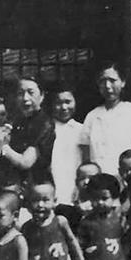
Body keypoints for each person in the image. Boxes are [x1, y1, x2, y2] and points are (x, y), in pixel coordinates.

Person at [80, 62, 131, 178]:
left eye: (112, 80)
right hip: (100, 182)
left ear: (123, 82)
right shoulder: (92, 117)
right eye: (102, 81)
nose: (107, 86)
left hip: (127, 179)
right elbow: (86, 154)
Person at [0, 77, 55, 186]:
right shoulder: (18, 120)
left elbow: (25, 162)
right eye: (20, 93)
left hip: (37, 185)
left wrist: (3, 146)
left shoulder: (43, 123)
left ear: (42, 96)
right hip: (16, 183)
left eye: (31, 92)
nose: (25, 98)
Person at [49, 86, 84, 223]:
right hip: (53, 191)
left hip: (75, 191)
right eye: (58, 103)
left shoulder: (82, 130)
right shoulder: (47, 129)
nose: (64, 107)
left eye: (68, 102)